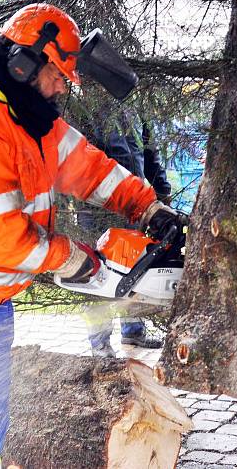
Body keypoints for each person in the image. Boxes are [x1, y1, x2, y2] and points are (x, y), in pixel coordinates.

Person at [0, 3, 181, 468]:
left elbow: (88, 167)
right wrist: (70, 258)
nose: (64, 87)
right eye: (59, 75)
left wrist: (146, 206)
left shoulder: (28, 114)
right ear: (25, 64)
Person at [78, 109, 172, 357]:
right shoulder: (85, 107)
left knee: (136, 269)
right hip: (95, 210)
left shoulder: (134, 107)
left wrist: (161, 190)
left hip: (134, 205)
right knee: (98, 275)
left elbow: (150, 153)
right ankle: (99, 341)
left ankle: (134, 330)